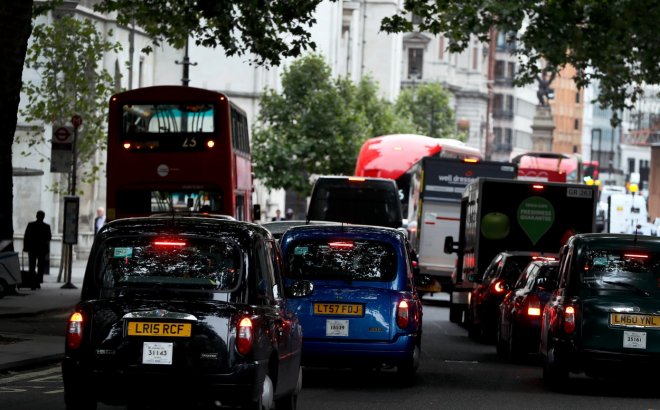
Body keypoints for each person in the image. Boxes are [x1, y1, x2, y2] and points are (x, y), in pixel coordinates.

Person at [23, 210, 52, 290]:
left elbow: (26, 237)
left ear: (36, 216)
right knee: (40, 267)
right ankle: (38, 282)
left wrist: (25, 247)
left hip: (32, 249)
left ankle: (32, 283)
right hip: (42, 249)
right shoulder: (46, 226)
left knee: (31, 267)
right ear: (43, 217)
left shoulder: (31, 225)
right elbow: (49, 238)